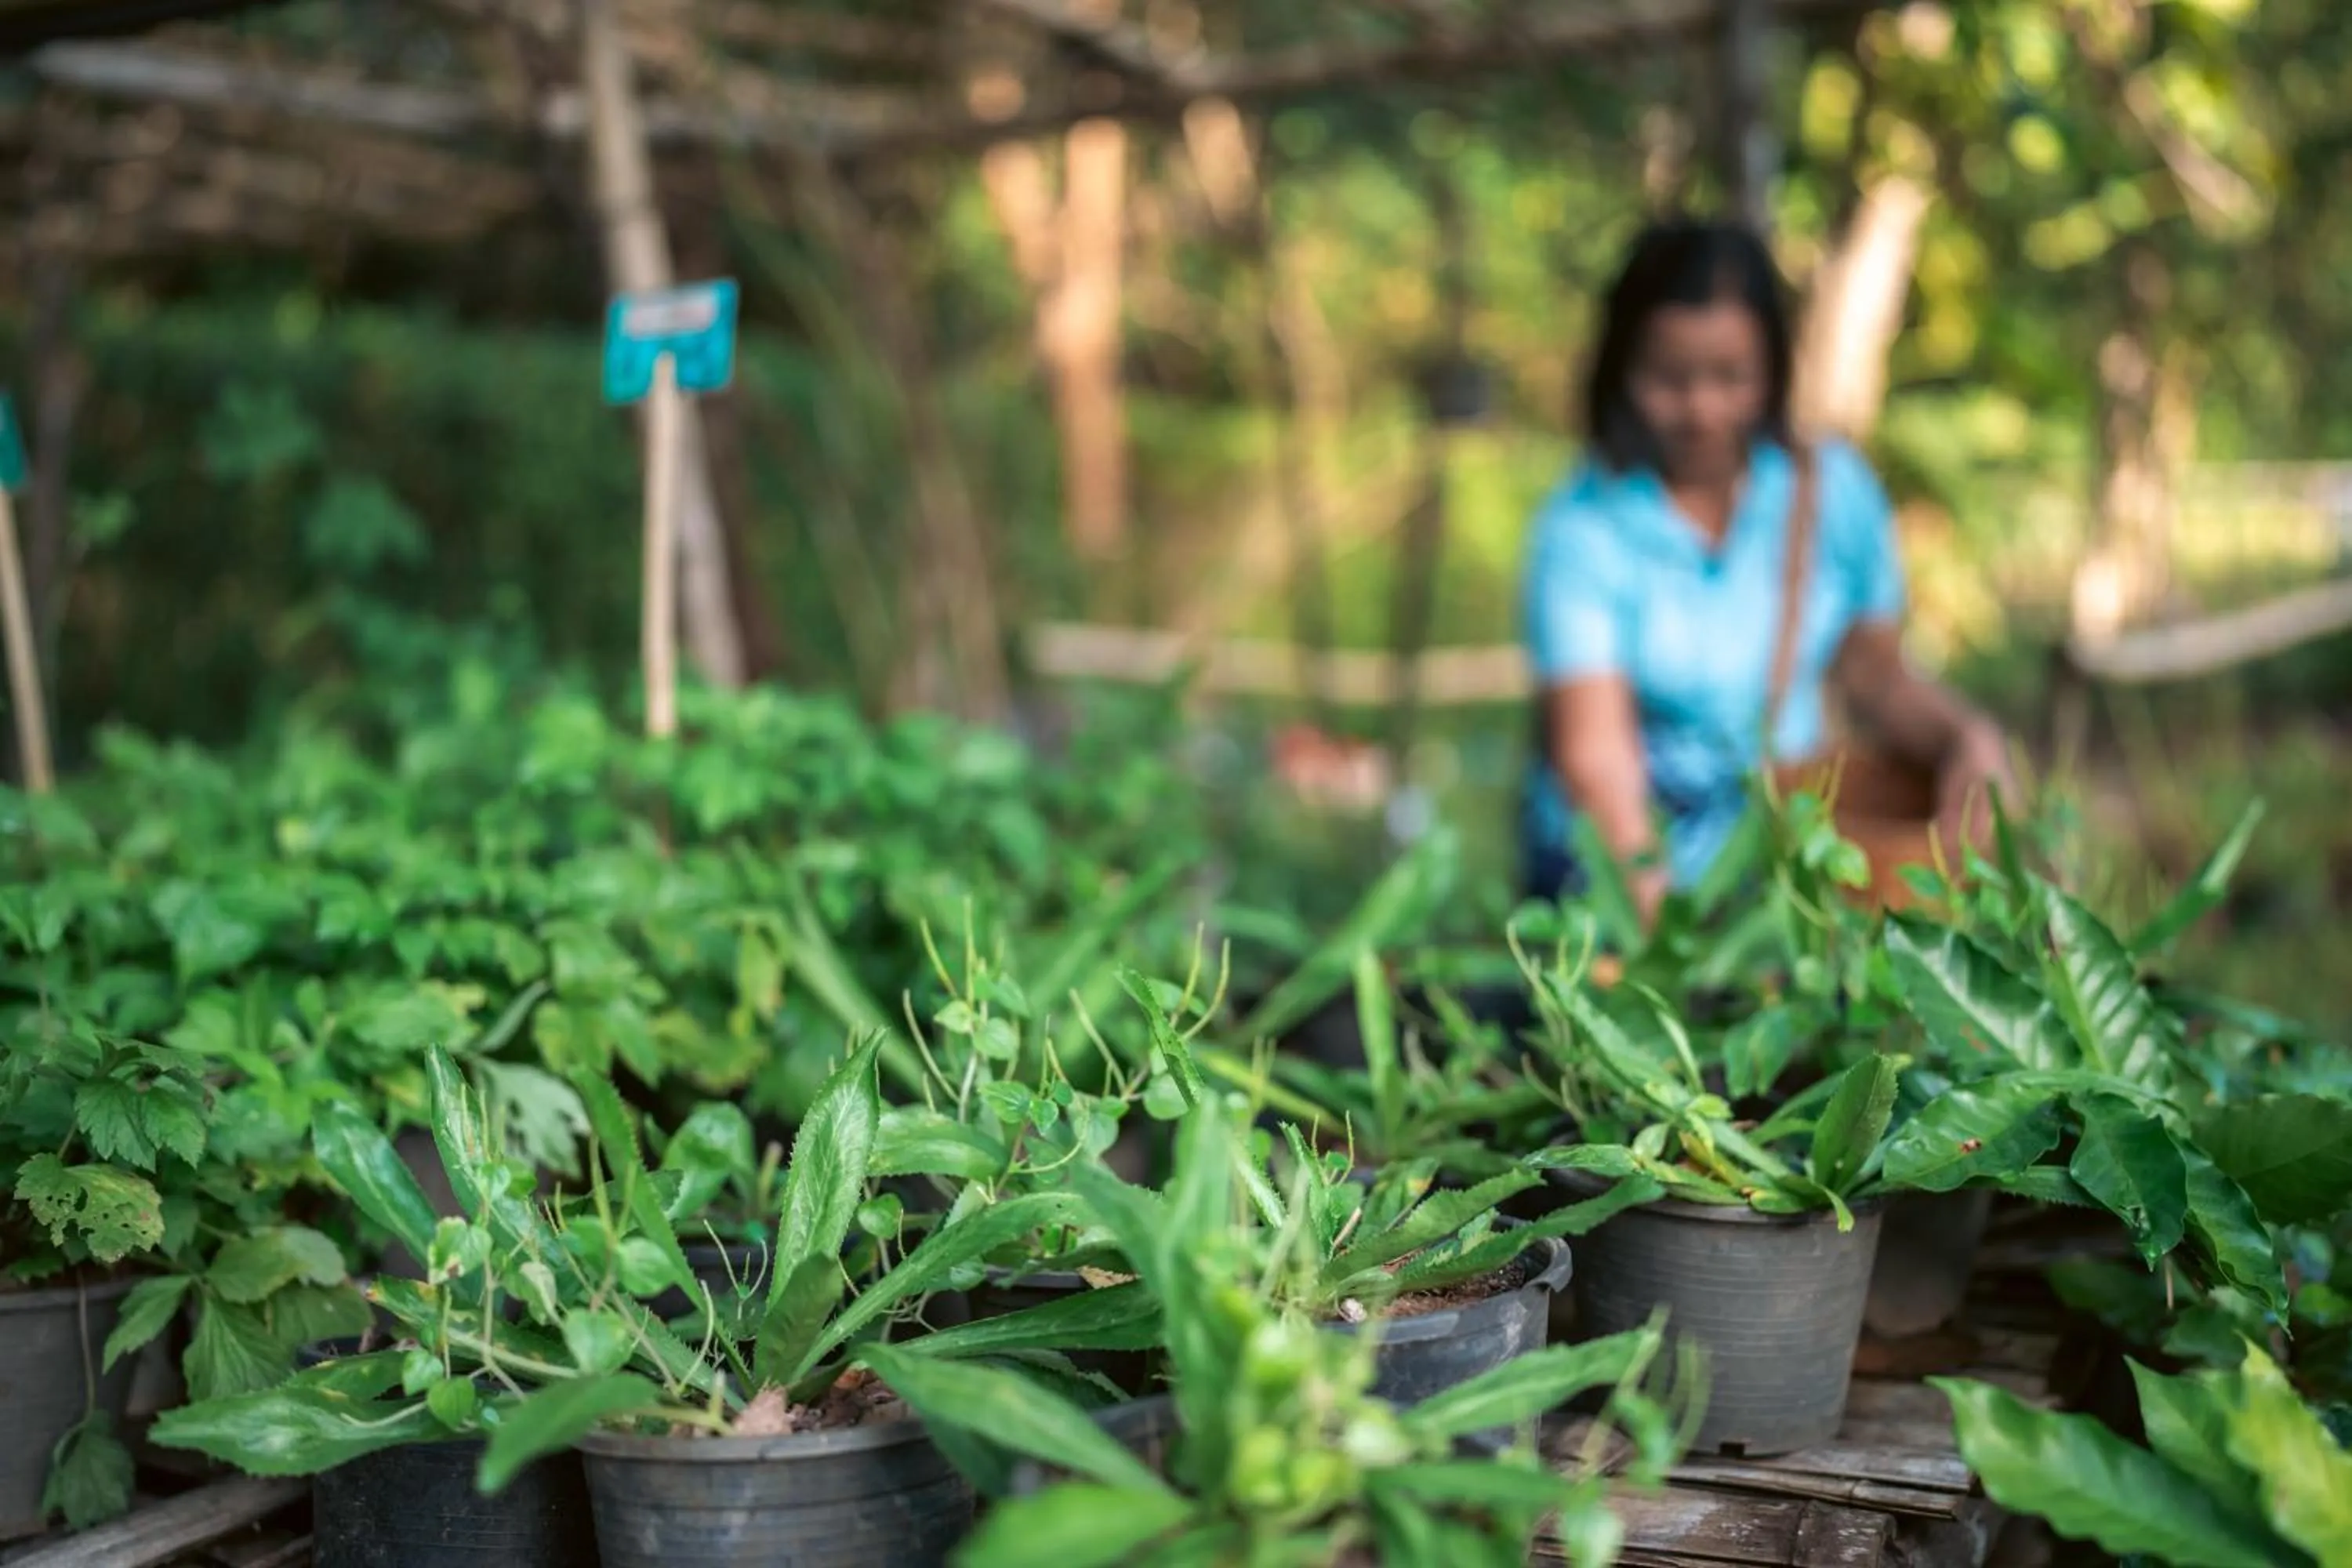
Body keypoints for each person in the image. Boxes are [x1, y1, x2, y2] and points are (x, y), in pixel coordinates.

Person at [1520, 218, 2010, 918]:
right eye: (1669, 379)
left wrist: (1969, 740)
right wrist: (1660, 939)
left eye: (1730, 377)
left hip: (1790, 871)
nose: (1702, 409)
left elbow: (1876, 673)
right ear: (1621, 370)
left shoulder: (1830, 491)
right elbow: (1597, 761)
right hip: (1621, 881)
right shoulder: (1583, 530)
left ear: (1774, 369)